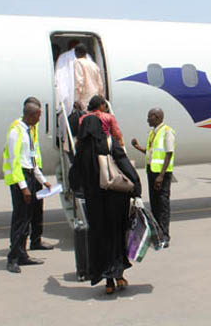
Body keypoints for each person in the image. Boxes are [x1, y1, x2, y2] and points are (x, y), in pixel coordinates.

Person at [71, 114, 142, 294]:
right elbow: (125, 166)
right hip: (115, 201)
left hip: (94, 204)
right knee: (116, 237)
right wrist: (136, 188)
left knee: (99, 239)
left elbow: (73, 178)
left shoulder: (81, 150)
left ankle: (107, 282)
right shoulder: (108, 143)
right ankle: (119, 275)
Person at [3, 101, 52, 273]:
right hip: (20, 179)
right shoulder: (16, 132)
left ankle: (23, 255)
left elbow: (31, 160)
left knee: (27, 219)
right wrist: (24, 187)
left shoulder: (29, 131)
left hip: (30, 176)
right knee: (20, 219)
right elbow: (14, 162)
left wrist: (42, 179)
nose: (40, 119)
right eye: (39, 116)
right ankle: (13, 258)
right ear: (31, 115)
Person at [131, 108, 175, 247]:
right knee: (155, 204)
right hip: (152, 172)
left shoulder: (167, 131)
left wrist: (161, 175)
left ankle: (165, 236)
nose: (147, 119)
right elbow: (152, 153)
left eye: (149, 117)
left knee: (162, 205)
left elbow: (169, 153)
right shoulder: (153, 132)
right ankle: (157, 233)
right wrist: (138, 147)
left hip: (161, 174)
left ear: (156, 117)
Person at [74, 43, 104, 111]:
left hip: (85, 97)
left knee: (86, 119)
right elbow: (100, 83)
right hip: (95, 97)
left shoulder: (78, 62)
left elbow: (79, 82)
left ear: (76, 53)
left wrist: (76, 99)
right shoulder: (93, 64)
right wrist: (101, 97)